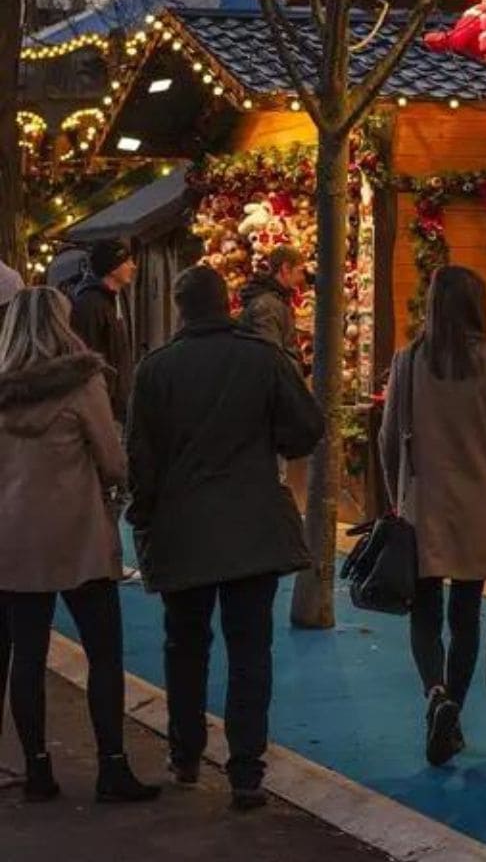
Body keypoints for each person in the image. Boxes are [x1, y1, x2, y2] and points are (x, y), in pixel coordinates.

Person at [125, 265, 323, 810]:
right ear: (226, 304)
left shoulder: (155, 371)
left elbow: (139, 456)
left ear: (181, 308)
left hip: (182, 527)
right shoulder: (262, 359)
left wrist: (144, 516)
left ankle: (186, 754)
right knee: (249, 649)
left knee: (184, 646)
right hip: (252, 526)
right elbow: (308, 426)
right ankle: (245, 771)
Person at [0, 289, 160, 804]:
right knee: (104, 653)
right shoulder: (82, 382)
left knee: (27, 655)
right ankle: (112, 766)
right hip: (80, 539)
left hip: (14, 543)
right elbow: (114, 462)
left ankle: (37, 769)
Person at [379, 265, 486, 768]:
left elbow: (387, 438)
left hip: (420, 503)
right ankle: (455, 714)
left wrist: (396, 495)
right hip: (476, 504)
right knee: (465, 617)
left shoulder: (408, 360)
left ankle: (435, 693)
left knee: (423, 614)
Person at [69, 239, 138, 581]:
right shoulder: (92, 305)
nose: (134, 266)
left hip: (114, 404)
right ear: (113, 266)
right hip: (105, 408)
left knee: (113, 488)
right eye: (128, 261)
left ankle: (108, 558)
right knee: (109, 485)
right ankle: (106, 560)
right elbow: (91, 359)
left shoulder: (109, 301)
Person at [238, 245, 307, 361]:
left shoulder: (276, 300)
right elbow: (271, 357)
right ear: (285, 269)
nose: (302, 278)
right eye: (299, 271)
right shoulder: (266, 306)